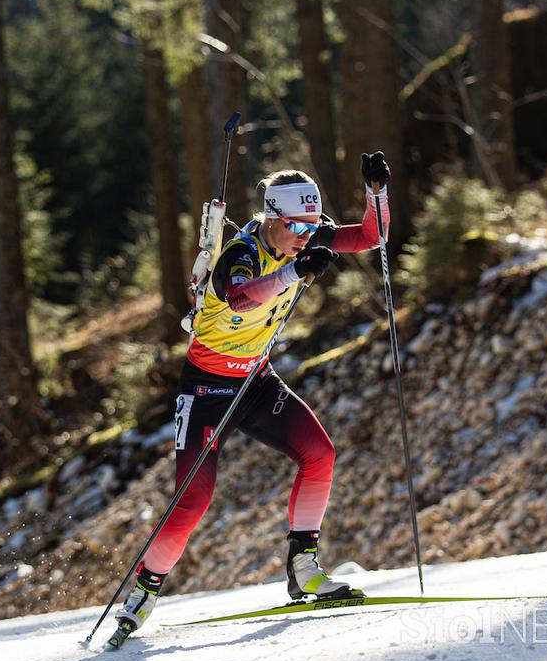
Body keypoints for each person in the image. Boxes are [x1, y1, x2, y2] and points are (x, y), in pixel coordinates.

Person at [115, 152, 393, 633]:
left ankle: (304, 570)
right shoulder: (240, 253)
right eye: (298, 229)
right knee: (195, 498)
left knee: (320, 454)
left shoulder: (303, 233)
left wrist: (377, 194)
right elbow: (242, 295)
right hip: (206, 386)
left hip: (254, 380)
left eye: (313, 227)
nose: (307, 237)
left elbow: (373, 236)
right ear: (272, 218)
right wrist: (295, 272)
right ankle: (144, 587)